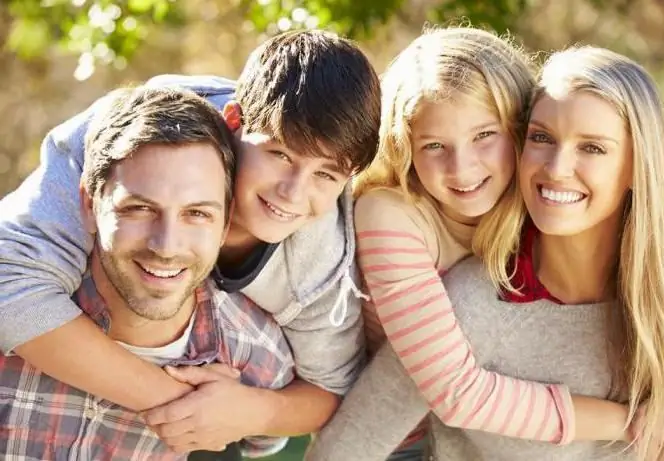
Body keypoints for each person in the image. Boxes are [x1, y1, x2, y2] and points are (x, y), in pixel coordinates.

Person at [308, 45, 664, 460]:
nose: (558, 167)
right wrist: (642, 420)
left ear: (639, 165)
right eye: (542, 138)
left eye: (593, 148)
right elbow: (352, 444)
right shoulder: (469, 304)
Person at [0, 29, 380, 451]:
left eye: (326, 174)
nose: (291, 192)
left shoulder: (317, 267)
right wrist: (182, 406)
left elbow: (334, 392)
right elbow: (9, 287)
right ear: (234, 122)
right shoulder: (128, 140)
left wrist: (251, 412)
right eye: (279, 155)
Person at [0, 85, 295, 460]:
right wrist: (185, 404)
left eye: (197, 213)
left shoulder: (256, 356)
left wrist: (256, 412)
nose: (166, 246)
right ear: (89, 205)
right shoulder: (21, 295)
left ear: (225, 223)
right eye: (140, 209)